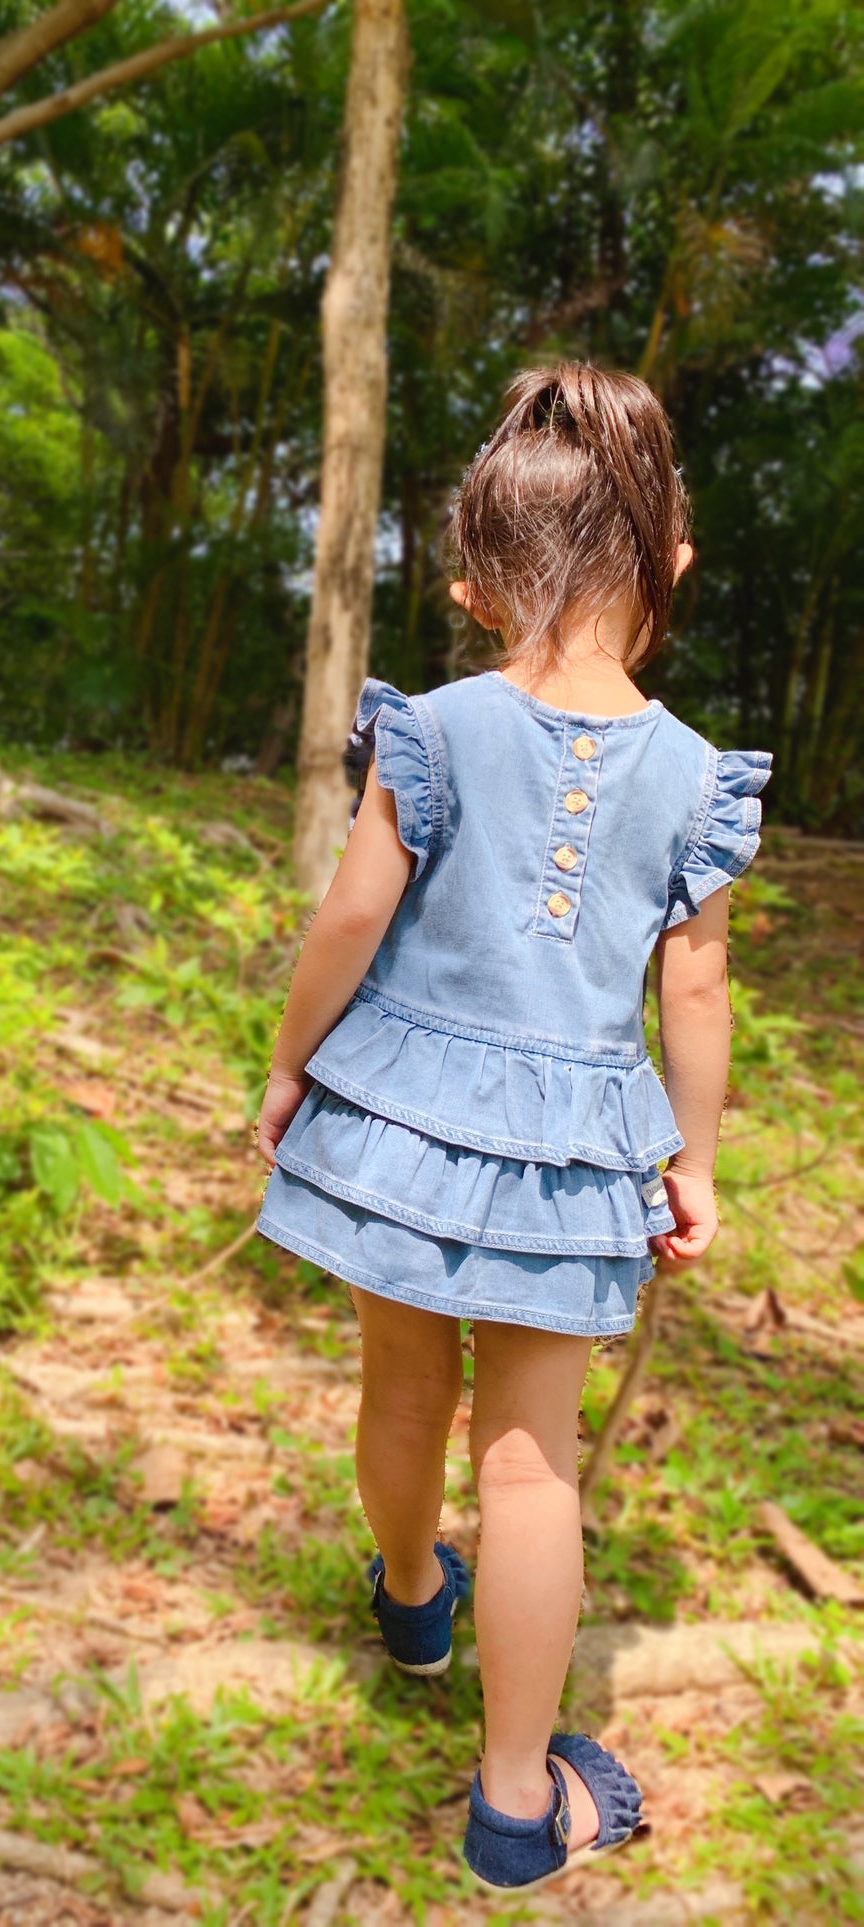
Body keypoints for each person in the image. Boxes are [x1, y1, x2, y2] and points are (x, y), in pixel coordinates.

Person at [254, 363, 772, 1895]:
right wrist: (691, 1165)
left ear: (476, 587)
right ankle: (510, 1804)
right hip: (565, 1161)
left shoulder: (432, 728)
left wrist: (292, 1067)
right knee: (529, 1465)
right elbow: (695, 985)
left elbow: (354, 914)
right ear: (670, 562)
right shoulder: (692, 780)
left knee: (400, 1390)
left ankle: (412, 1596)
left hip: (400, 1124)